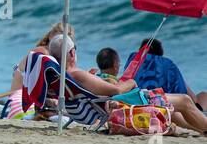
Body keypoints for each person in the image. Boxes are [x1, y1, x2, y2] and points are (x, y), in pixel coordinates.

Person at [47, 34, 207, 135]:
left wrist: (93, 80)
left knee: (176, 112)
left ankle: (202, 130)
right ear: (72, 53)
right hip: (126, 103)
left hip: (106, 105)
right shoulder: (77, 74)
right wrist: (131, 81)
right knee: (185, 101)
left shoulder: (61, 77)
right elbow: (116, 89)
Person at [125, 38, 200, 109]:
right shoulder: (168, 64)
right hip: (159, 103)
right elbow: (182, 94)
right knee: (203, 95)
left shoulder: (133, 58)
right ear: (161, 52)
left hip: (134, 102)